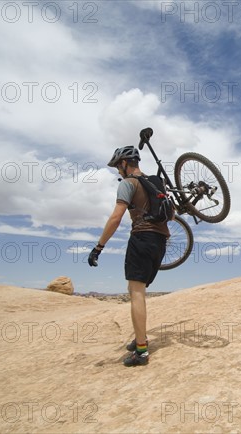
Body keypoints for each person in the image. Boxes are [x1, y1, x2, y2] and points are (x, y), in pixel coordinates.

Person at [88, 146, 169, 367]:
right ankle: (139, 336)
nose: (117, 171)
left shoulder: (128, 183)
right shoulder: (155, 181)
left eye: (117, 166)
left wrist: (99, 247)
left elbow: (116, 217)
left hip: (142, 238)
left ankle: (141, 351)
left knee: (136, 293)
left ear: (124, 164)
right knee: (137, 289)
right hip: (162, 240)